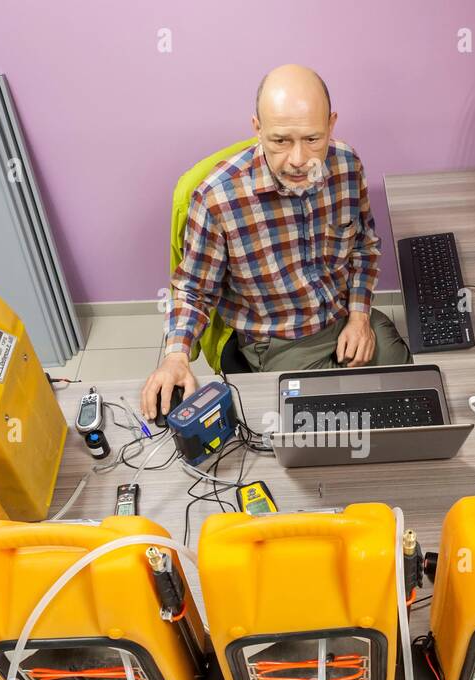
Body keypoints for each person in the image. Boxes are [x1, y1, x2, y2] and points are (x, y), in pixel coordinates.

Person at [140, 64, 410, 419]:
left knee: (410, 390)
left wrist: (359, 316)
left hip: (344, 315)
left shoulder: (346, 165)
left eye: (312, 139)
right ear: (257, 128)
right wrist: (175, 356)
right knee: (343, 424)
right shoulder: (217, 200)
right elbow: (194, 290)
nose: (298, 160)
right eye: (280, 141)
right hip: (280, 339)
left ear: (331, 124)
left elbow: (363, 246)